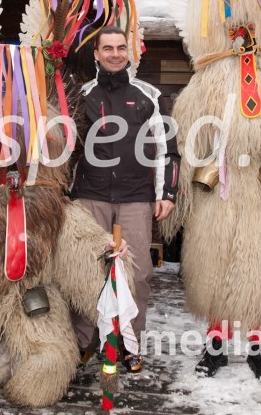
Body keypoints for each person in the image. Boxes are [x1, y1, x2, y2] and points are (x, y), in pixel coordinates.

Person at [70, 26, 180, 373]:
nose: (115, 53)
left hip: (135, 197)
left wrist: (167, 192)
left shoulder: (148, 94)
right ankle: (83, 342)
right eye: (108, 48)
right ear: (97, 54)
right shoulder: (81, 94)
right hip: (90, 196)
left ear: (128, 52)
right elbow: (67, 151)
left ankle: (128, 344)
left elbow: (167, 149)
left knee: (138, 272)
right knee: (87, 271)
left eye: (121, 47)